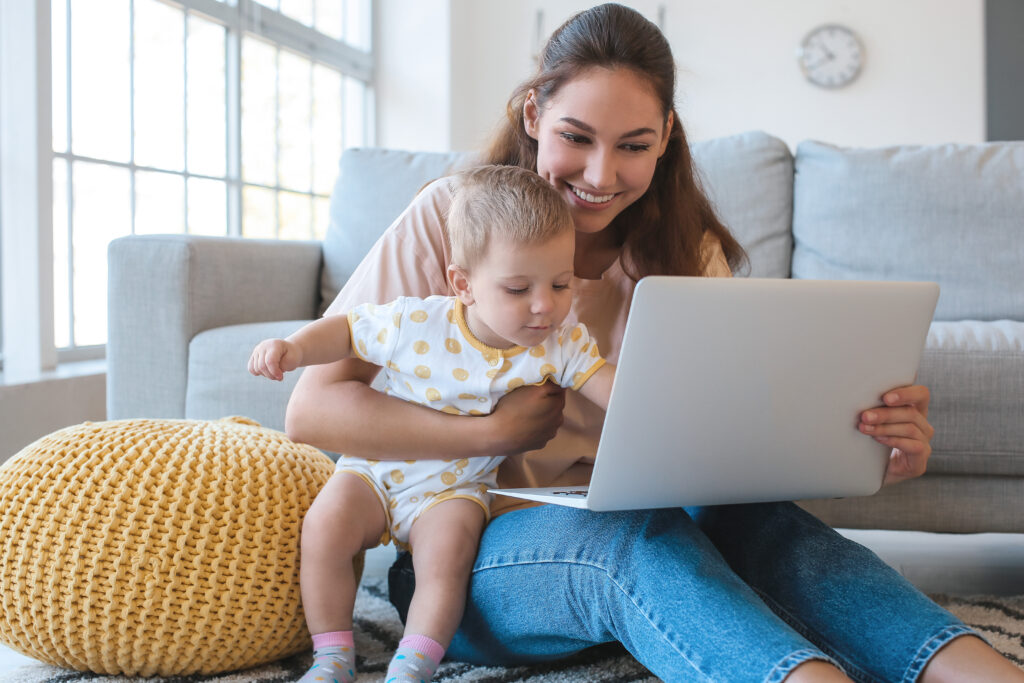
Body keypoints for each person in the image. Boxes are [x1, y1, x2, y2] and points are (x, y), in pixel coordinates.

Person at [286, 4, 1024, 681]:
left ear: (666, 136)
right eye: (577, 138)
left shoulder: (681, 250)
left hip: (645, 535)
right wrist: (485, 432)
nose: (600, 176)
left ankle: (974, 670)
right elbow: (312, 410)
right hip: (460, 556)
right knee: (633, 540)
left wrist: (864, 441)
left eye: (633, 145)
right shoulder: (454, 217)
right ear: (535, 113)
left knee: (761, 524)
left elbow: (724, 440)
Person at [249, 164, 615, 683]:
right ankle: (331, 655)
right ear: (462, 284)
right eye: (517, 288)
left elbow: (608, 386)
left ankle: (412, 666)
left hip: (455, 489)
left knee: (446, 563)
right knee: (324, 528)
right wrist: (293, 348)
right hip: (376, 470)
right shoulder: (416, 321)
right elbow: (347, 333)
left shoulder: (561, 344)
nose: (544, 306)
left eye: (560, 283)